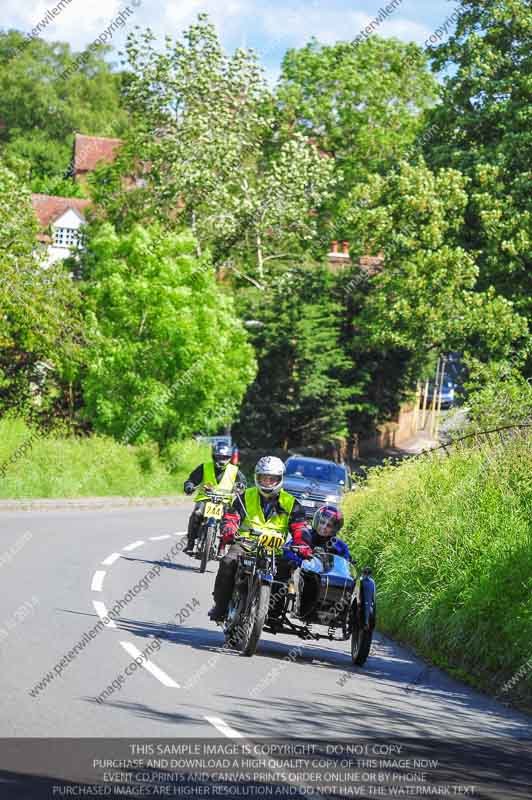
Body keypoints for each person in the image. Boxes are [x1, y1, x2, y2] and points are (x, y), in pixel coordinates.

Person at [208, 456, 311, 621]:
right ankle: (220, 606)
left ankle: (274, 611)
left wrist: (303, 544)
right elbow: (231, 517)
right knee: (228, 561)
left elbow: (300, 527)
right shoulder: (245, 497)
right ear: (257, 478)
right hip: (246, 544)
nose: (268, 482)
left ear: (280, 479)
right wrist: (229, 529)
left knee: (288, 572)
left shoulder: (291, 503)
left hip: (275, 550)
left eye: (272, 479)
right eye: (264, 478)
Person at [183, 442, 246, 555]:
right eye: (219, 457)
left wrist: (240, 487)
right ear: (214, 456)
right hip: (205, 499)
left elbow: (243, 483)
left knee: (229, 521)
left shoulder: (234, 470)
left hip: (225, 501)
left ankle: (222, 546)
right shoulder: (204, 467)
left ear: (229, 458)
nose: (221, 460)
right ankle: (191, 543)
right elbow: (192, 479)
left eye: (225, 457)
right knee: (196, 514)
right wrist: (189, 486)